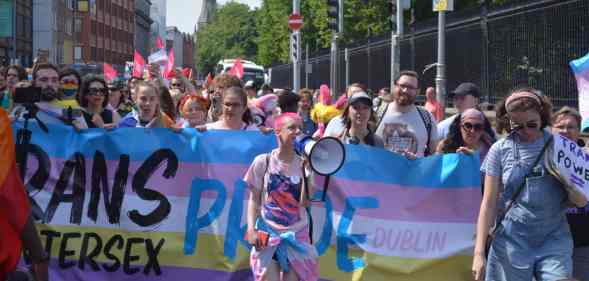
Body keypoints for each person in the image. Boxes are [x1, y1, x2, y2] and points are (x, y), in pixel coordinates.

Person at [472, 88, 588, 281]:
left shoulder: (561, 147)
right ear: (508, 122)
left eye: (532, 124)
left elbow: (582, 202)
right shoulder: (499, 150)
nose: (525, 131)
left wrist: (569, 184)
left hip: (554, 238)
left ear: (542, 118)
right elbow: (488, 203)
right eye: (517, 126)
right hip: (511, 241)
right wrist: (478, 253)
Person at [244, 112, 319, 281]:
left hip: (296, 235)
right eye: (291, 127)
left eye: (300, 128)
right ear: (278, 131)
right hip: (267, 232)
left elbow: (304, 203)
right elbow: (254, 199)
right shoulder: (263, 162)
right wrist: (251, 229)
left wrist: (307, 172)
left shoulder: (304, 165)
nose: (297, 132)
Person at [551, 106, 589, 281]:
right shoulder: (541, 158)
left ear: (578, 131)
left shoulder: (586, 160)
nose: (565, 131)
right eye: (560, 127)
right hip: (550, 239)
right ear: (552, 129)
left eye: (571, 127)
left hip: (582, 240)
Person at [375, 70, 438, 159]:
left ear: (418, 91)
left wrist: (418, 162)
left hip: (415, 172)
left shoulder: (427, 117)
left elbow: (434, 154)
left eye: (411, 87)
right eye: (402, 86)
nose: (405, 90)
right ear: (395, 86)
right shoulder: (377, 113)